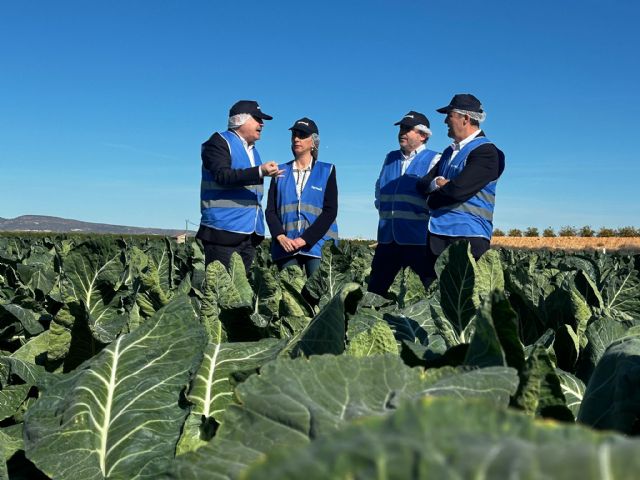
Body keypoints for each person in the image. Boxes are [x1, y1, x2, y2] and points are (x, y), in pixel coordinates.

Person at [416, 93, 505, 277]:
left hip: (469, 237)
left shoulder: (486, 152)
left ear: (465, 118)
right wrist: (437, 183)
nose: (445, 121)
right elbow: (423, 184)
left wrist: (431, 200)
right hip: (437, 236)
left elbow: (456, 191)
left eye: (449, 115)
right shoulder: (449, 152)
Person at [197, 100, 283, 272]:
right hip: (222, 233)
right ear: (240, 120)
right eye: (257, 119)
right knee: (221, 293)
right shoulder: (218, 142)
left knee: (240, 295)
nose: (262, 124)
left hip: (249, 236)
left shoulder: (254, 151)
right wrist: (260, 171)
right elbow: (222, 175)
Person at [367, 111, 441, 296]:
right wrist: (382, 207)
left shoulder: (434, 159)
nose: (402, 132)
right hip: (386, 239)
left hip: (417, 241)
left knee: (420, 293)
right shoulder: (390, 158)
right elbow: (379, 187)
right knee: (375, 292)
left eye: (408, 129)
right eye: (401, 128)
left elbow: (436, 196)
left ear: (423, 135)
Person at [265, 117, 338, 276]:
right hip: (286, 245)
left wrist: (304, 239)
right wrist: (280, 236)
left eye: (302, 135)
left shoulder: (327, 170)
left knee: (319, 294)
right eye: (294, 135)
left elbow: (330, 211)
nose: (297, 138)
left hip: (317, 245)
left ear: (313, 142)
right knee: (291, 295)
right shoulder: (279, 172)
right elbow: (270, 211)